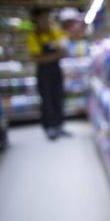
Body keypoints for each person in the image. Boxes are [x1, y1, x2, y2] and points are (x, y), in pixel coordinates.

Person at [27, 8, 71, 140]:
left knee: (58, 97)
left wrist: (53, 56)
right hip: (43, 72)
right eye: (43, 19)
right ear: (36, 21)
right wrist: (56, 55)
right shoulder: (33, 36)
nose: (46, 22)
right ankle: (49, 127)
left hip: (56, 70)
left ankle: (59, 126)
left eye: (48, 19)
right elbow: (38, 58)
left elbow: (64, 49)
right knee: (47, 100)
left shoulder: (54, 32)